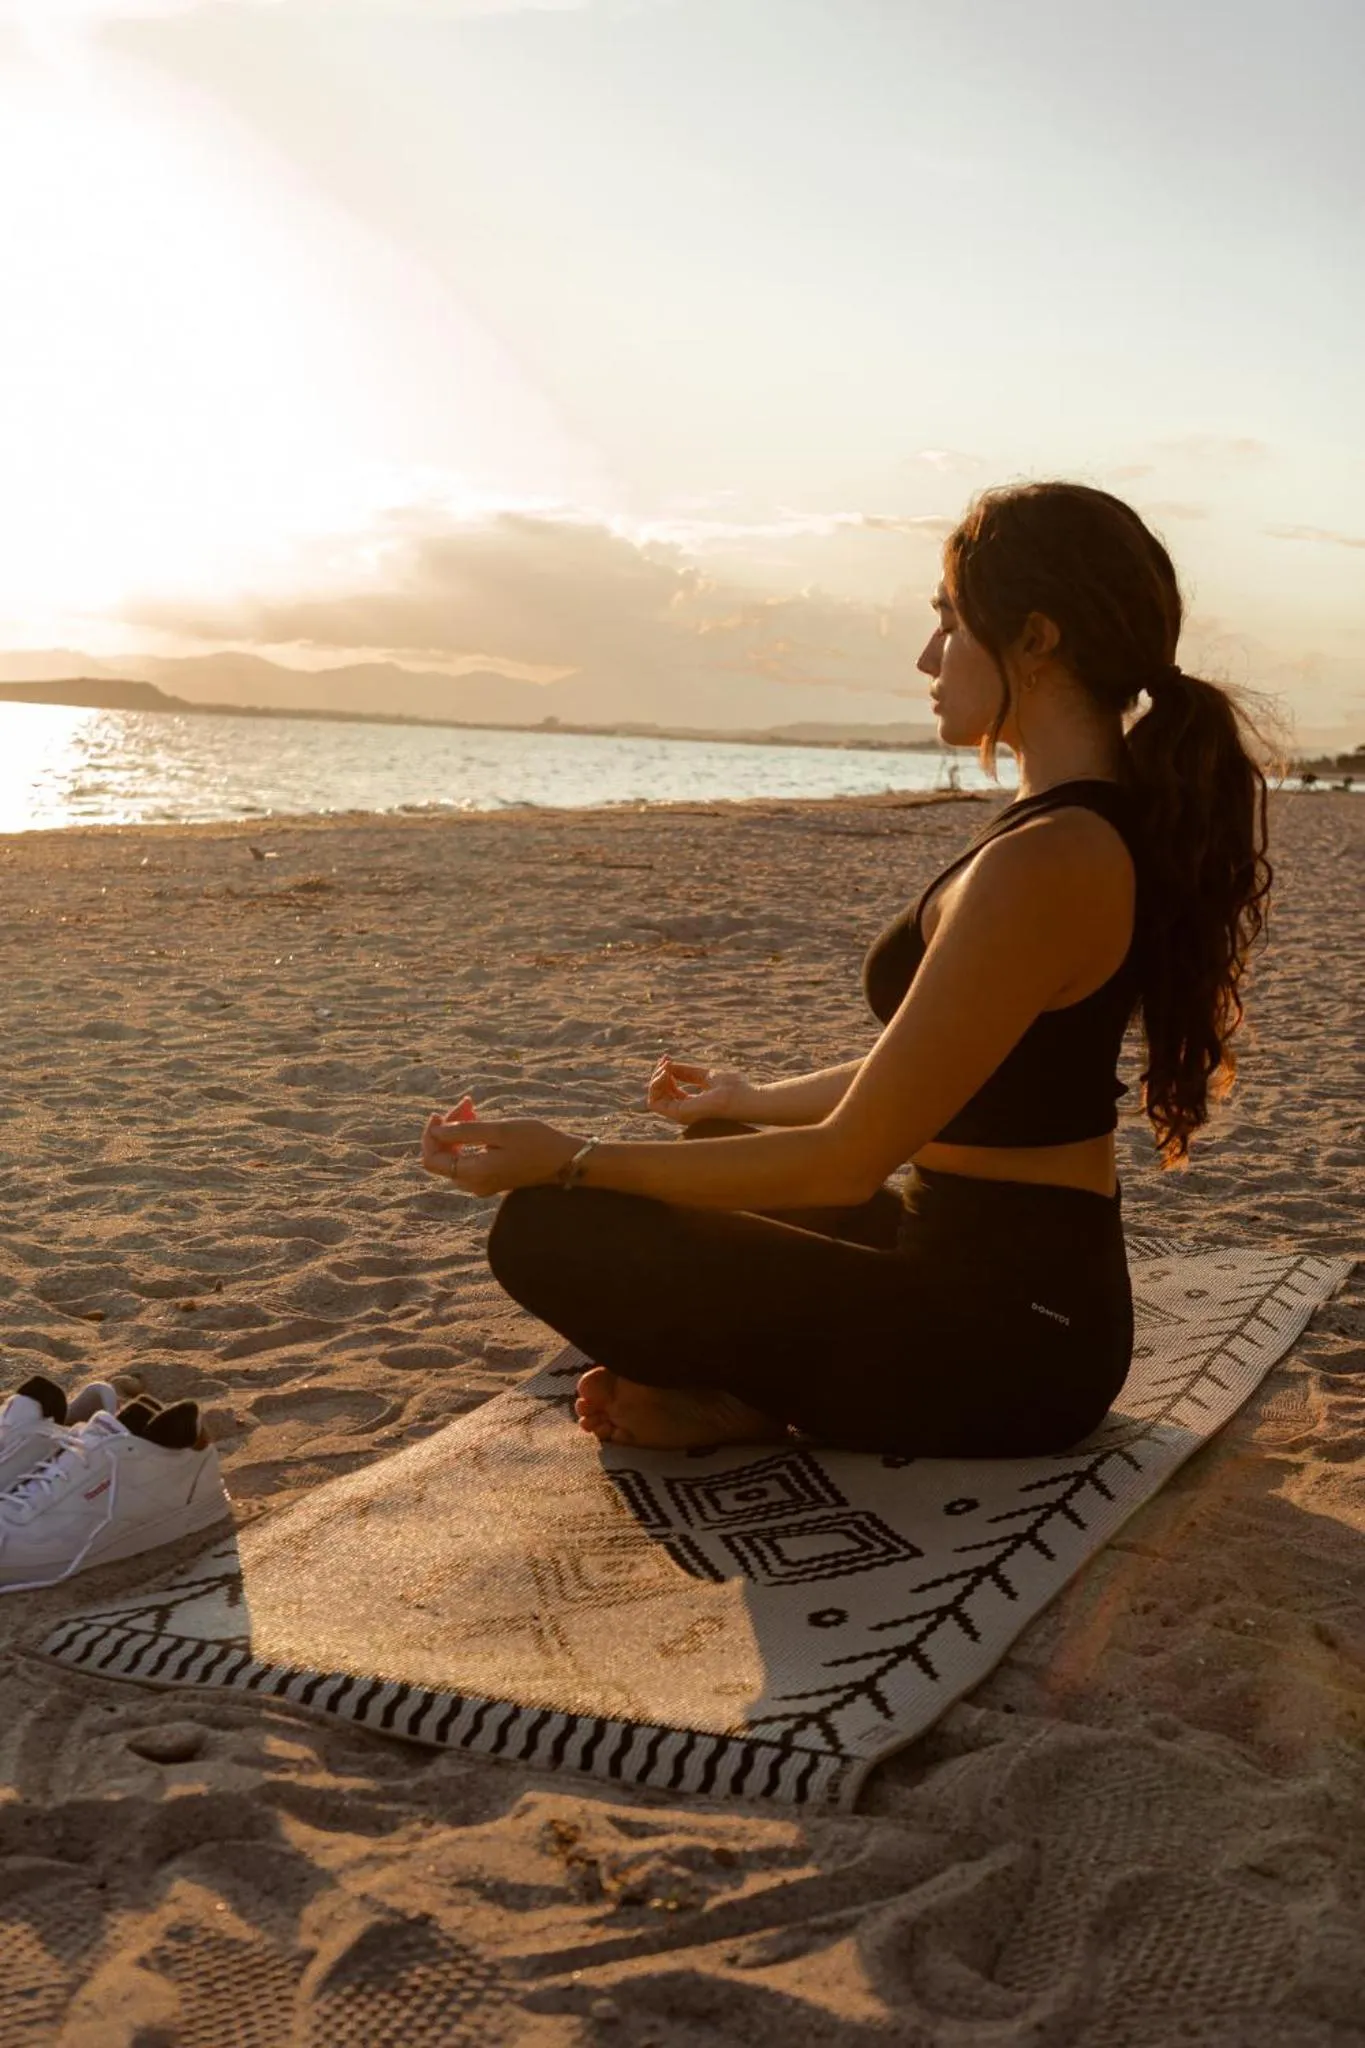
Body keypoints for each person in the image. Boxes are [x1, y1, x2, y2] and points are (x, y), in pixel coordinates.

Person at [420, 483, 1272, 1456]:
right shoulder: (1067, 827)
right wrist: (760, 1093)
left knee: (548, 1228)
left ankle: (746, 1392)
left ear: (1035, 637)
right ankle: (749, 1383)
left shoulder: (1056, 856)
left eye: (948, 621)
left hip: (1013, 1341)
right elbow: (951, 1067)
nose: (926, 656)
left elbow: (849, 1158)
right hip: (956, 1262)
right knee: (725, 1131)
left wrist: (570, 1157)